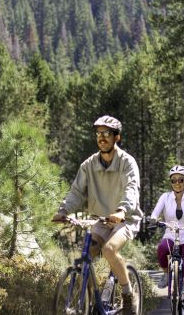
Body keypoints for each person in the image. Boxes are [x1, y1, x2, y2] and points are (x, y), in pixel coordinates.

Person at [52, 115, 143, 315]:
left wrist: (122, 210)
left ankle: (128, 295)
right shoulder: (89, 165)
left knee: (110, 250)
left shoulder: (127, 163)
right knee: (87, 255)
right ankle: (92, 303)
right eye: (99, 133)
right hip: (100, 219)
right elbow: (76, 192)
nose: (102, 137)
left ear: (116, 137)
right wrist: (63, 210)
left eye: (107, 134)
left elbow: (131, 189)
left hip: (125, 219)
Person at [149, 165, 184, 315]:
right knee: (161, 250)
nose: (177, 183)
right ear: (171, 182)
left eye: (180, 180)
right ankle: (167, 274)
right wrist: (154, 218)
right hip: (170, 234)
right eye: (173, 180)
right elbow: (155, 212)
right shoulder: (165, 197)